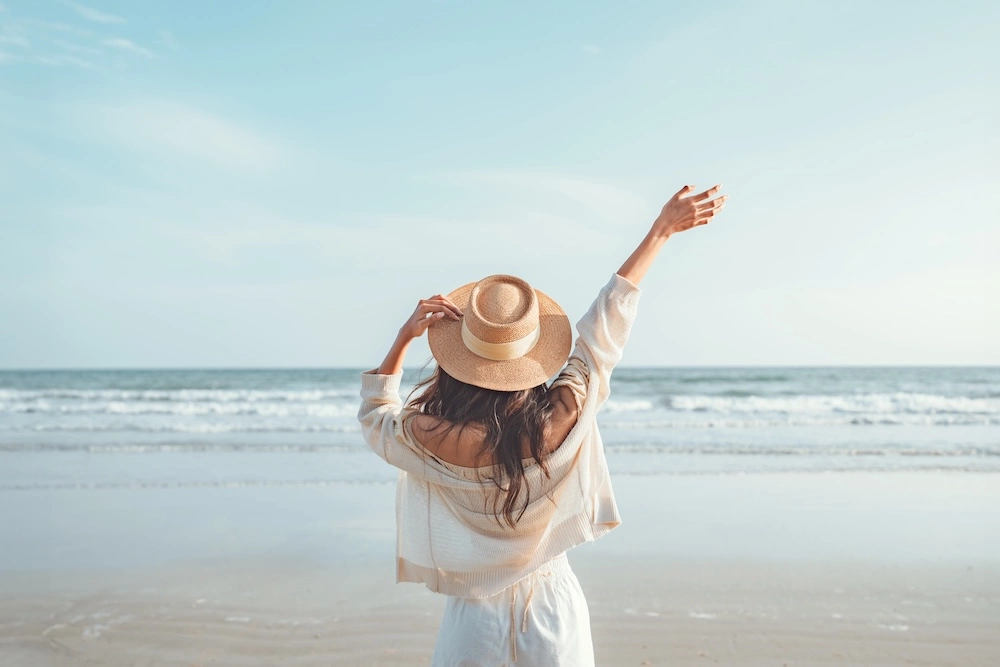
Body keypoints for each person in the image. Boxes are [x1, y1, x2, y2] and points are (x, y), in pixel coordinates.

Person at [357, 183, 727, 665]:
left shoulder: (430, 436)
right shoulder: (561, 418)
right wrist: (661, 231)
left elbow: (375, 417)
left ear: (455, 361)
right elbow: (604, 329)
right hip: (553, 610)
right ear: (530, 358)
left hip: (472, 620)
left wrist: (405, 337)